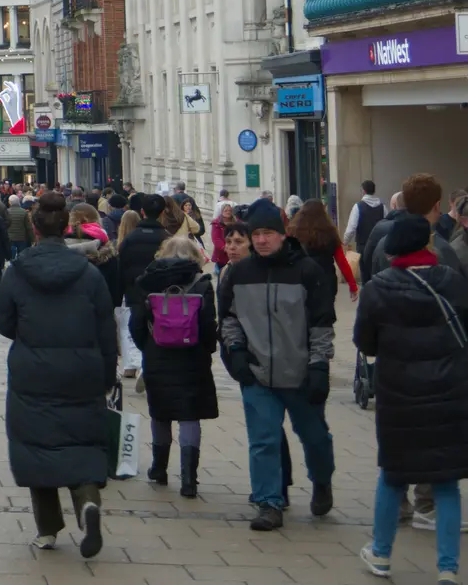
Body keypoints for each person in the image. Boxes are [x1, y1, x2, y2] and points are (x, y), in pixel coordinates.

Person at [0, 192, 117, 558]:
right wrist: (107, 373)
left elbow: (4, 322)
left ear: (34, 228)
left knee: (36, 444)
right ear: (68, 228)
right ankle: (87, 504)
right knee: (82, 439)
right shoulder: (89, 273)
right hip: (82, 368)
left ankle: (47, 529)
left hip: (33, 369)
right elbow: (105, 327)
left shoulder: (18, 271)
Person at [354, 209, 468, 582]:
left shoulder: (378, 288)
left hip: (399, 395)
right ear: (427, 244)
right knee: (447, 482)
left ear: (392, 248)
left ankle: (382, 554)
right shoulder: (452, 281)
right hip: (449, 393)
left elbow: (365, 343)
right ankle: (448, 569)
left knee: (393, 476)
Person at [219, 198, 336, 532]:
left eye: (268, 233)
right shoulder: (239, 274)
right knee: (263, 439)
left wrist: (318, 366)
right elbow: (229, 318)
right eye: (256, 234)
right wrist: (236, 350)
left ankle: (322, 480)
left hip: (299, 373)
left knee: (315, 437)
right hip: (257, 373)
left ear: (283, 234)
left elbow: (322, 323)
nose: (261, 240)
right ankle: (268, 502)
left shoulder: (307, 271)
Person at [128, 236, 217, 499]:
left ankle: (159, 469)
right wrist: (207, 349)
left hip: (158, 355)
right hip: (192, 357)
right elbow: (208, 324)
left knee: (161, 412)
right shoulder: (201, 284)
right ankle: (189, 479)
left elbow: (136, 323)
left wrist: (148, 346)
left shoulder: (149, 281)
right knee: (190, 414)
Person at [115, 193, 167, 381]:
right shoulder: (166, 238)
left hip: (135, 292)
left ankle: (145, 362)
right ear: (162, 213)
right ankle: (149, 363)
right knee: (159, 329)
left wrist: (117, 295)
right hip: (161, 294)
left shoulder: (129, 239)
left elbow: (121, 268)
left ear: (142, 212)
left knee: (136, 328)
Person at [287, 199, 359, 305]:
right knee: (326, 314)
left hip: (301, 279)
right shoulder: (330, 233)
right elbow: (342, 262)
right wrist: (352, 285)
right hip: (326, 279)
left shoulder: (293, 232)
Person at [346, 179, 388, 254]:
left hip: (363, 245)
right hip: (378, 245)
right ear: (374, 191)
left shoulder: (358, 206)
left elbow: (351, 228)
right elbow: (387, 224)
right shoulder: (383, 207)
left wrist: (345, 241)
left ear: (364, 191)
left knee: (364, 265)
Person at [2, 194, 29, 259]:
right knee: (22, 257)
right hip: (21, 238)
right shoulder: (24, 212)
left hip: (10, 238)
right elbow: (28, 227)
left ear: (10, 202)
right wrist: (32, 239)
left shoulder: (6, 212)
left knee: (12, 257)